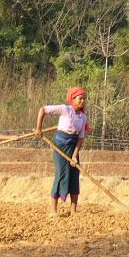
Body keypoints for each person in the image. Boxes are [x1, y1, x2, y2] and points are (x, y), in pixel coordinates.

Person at [34, 87, 89, 217]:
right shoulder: (65, 109)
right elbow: (43, 110)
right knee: (61, 174)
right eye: (80, 98)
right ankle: (53, 210)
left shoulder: (82, 117)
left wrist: (75, 156)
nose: (82, 101)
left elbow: (80, 138)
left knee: (74, 175)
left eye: (84, 99)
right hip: (60, 146)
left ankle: (74, 210)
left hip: (73, 146)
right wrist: (39, 128)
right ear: (72, 99)